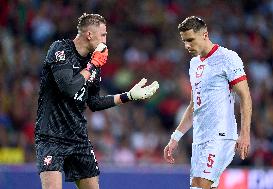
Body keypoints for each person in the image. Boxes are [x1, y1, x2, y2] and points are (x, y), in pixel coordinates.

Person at [35, 13, 159, 189]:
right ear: (89, 35)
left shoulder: (94, 62)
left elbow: (93, 102)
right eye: (103, 35)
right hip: (51, 137)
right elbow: (69, 88)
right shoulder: (60, 49)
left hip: (78, 138)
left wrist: (128, 96)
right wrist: (91, 66)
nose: (105, 40)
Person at [163, 16, 252, 189]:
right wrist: (175, 138)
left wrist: (245, 133)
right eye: (184, 41)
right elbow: (194, 105)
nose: (187, 45)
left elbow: (245, 96)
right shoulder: (194, 64)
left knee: (200, 185)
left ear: (205, 35)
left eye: (190, 40)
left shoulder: (227, 58)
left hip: (220, 136)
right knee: (200, 186)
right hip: (200, 138)